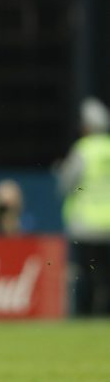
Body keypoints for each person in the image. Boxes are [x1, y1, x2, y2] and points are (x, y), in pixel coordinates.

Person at [58, 97, 110, 316]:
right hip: (109, 226)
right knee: (106, 277)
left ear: (86, 126)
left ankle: (84, 316)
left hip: (85, 226)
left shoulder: (83, 150)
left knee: (84, 275)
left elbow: (66, 184)